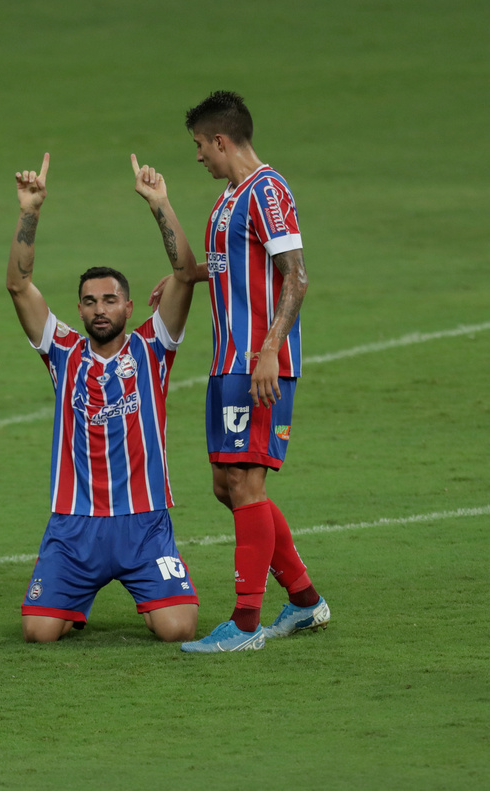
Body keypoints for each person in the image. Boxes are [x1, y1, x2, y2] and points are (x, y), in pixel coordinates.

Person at [150, 90, 329, 652]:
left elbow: (295, 276)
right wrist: (186, 270)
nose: (198, 155)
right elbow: (231, 262)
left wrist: (271, 349)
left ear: (221, 140)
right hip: (227, 362)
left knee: (246, 485)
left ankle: (246, 625)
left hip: (257, 365)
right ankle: (304, 602)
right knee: (227, 489)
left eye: (200, 145)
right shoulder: (229, 198)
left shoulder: (268, 191)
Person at [7, 152, 205, 643]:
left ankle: (144, 594)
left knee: (179, 629)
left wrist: (160, 203)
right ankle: (71, 600)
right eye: (91, 301)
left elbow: (184, 275)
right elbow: (18, 284)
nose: (100, 309)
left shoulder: (154, 347)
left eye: (110, 300)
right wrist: (29, 211)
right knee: (38, 633)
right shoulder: (62, 352)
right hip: (74, 528)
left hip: (143, 524)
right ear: (79, 308)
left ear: (129, 306)